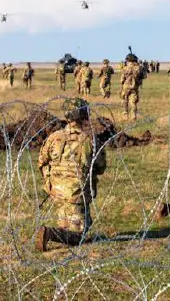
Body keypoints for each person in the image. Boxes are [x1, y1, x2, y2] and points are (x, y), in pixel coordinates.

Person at [36, 98, 107, 251]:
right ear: (83, 115)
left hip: (57, 191)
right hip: (77, 193)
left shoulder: (55, 137)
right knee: (79, 236)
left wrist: (50, 181)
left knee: (68, 223)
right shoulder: (90, 140)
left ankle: (58, 231)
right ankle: (49, 233)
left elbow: (42, 161)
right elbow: (101, 167)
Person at [120, 53, 145, 121]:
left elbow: (122, 80)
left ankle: (125, 115)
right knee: (133, 103)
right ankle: (133, 116)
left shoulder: (125, 68)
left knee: (125, 101)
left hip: (126, 87)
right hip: (134, 88)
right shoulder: (139, 68)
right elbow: (143, 77)